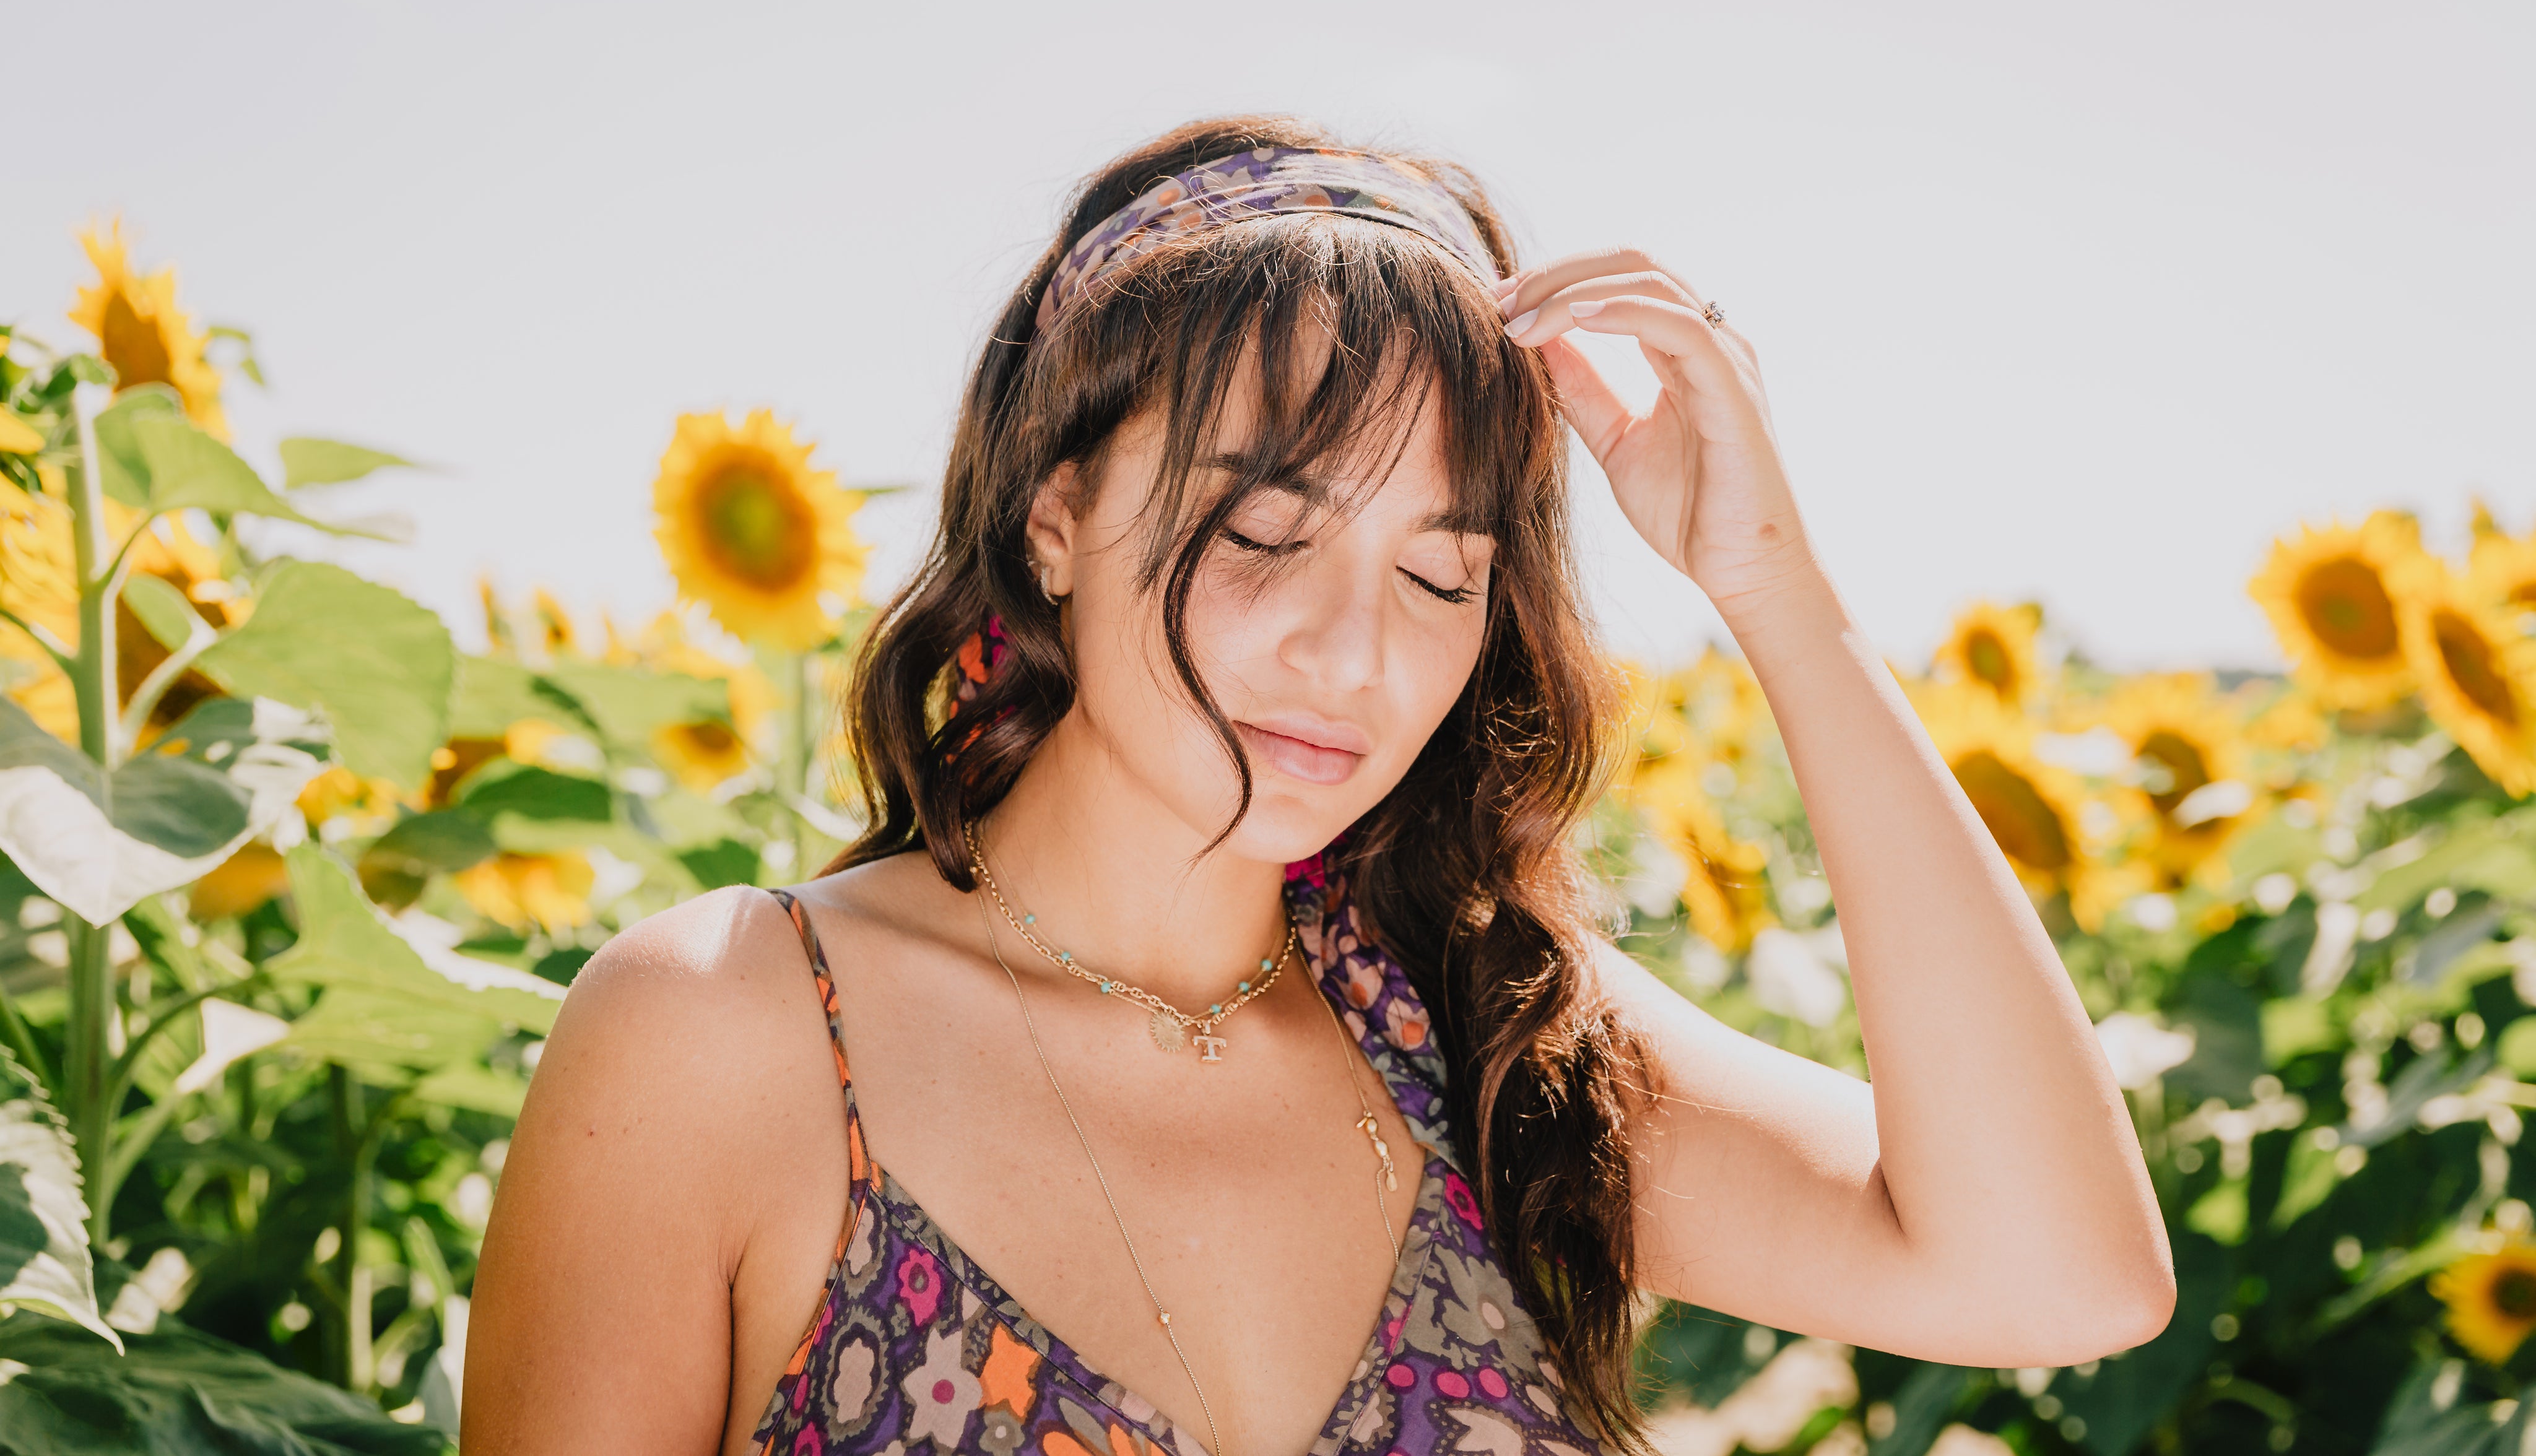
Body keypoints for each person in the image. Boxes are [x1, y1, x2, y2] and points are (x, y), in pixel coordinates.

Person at [464, 117, 2175, 1456]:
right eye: (1270, 532)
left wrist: (1774, 588)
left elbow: (2061, 1275)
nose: (1355, 658)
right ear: (1054, 513)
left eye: (1441, 578)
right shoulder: (727, 1036)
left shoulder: (1479, 1035)